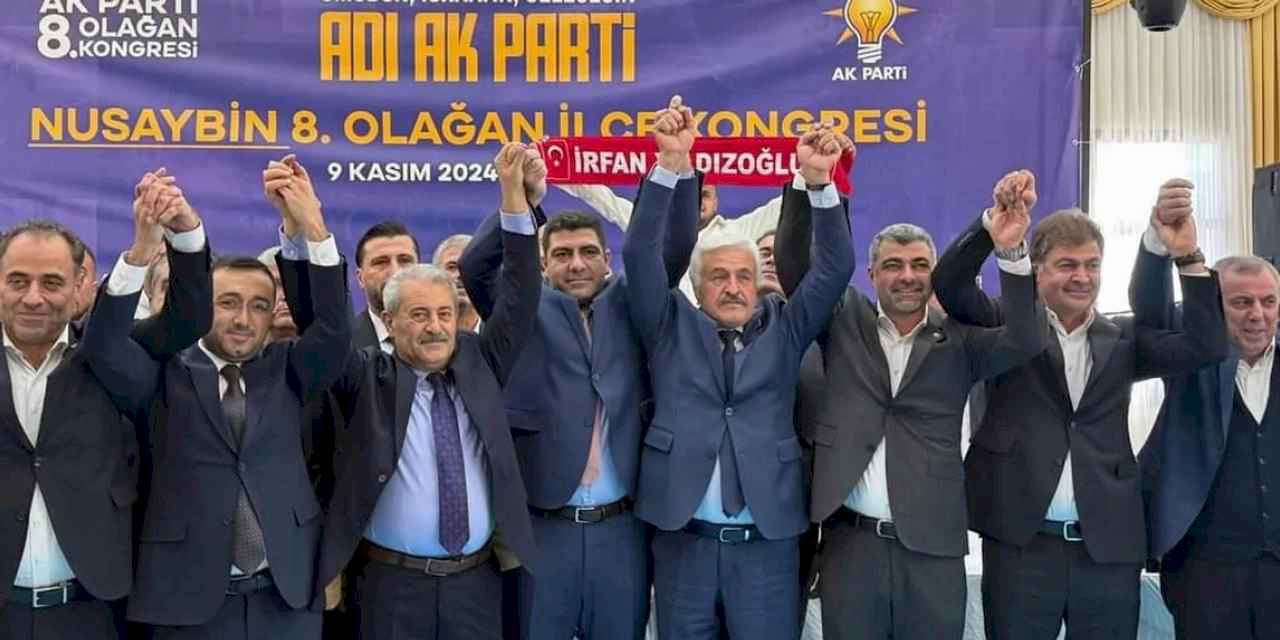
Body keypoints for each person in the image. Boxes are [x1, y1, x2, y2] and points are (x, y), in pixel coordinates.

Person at [933, 173, 1228, 639]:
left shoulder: (1122, 338)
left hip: (1108, 549)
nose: (1082, 276)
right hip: (1021, 544)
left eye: (1092, 265)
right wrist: (993, 231)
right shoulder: (1003, 323)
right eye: (1067, 265)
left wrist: (1186, 256)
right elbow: (949, 285)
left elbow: (1205, 347)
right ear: (1037, 269)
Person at [85, 155, 351, 639]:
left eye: (258, 306)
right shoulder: (162, 374)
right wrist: (146, 249)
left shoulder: (290, 371)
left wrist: (311, 225)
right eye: (228, 303)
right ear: (202, 306)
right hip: (186, 606)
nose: (243, 319)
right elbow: (102, 347)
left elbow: (334, 330)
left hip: (284, 600)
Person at [776, 170, 1046, 640]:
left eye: (920, 265)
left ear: (933, 273)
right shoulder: (842, 320)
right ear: (871, 274)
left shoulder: (960, 340)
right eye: (893, 265)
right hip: (850, 546)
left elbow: (1025, 339)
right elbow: (798, 267)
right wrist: (812, 184)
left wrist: (1008, 250)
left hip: (933, 551)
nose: (907, 276)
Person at [460, 106, 697, 640]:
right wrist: (522, 203)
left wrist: (676, 166)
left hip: (622, 529)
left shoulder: (632, 301)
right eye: (562, 254)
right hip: (543, 527)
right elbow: (476, 266)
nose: (576, 263)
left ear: (608, 259)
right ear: (542, 264)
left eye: (589, 252)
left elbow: (674, 248)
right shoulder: (520, 310)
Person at [623, 103, 854, 640]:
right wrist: (670, 165)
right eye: (719, 277)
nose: (733, 288)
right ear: (697, 285)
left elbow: (834, 267)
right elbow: (639, 254)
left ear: (757, 282)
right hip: (684, 544)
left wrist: (819, 183)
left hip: (766, 549)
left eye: (743, 276)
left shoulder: (787, 327)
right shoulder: (667, 325)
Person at [314, 142, 543, 640]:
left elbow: (521, 294)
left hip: (476, 583)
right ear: (388, 320)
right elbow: (324, 326)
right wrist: (310, 228)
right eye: (419, 315)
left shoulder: (481, 362)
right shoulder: (365, 375)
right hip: (389, 587)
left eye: (443, 313)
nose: (436, 327)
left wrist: (514, 199)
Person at [0, 168, 211, 640]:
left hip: (91, 611)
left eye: (51, 282)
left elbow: (188, 319)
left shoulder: (107, 354)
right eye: (17, 280)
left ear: (81, 285)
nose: (33, 298)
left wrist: (175, 235)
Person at [1131, 180, 1280, 639]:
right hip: (1203, 571)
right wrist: (1163, 246)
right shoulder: (1192, 356)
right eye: (1241, 302)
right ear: (1213, 306)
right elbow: (1152, 312)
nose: (1257, 314)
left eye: (1268, 302)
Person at [560, 173, 781, 302]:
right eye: (690, 195)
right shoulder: (652, 229)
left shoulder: (738, 232)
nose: (696, 201)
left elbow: (783, 206)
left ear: (716, 202)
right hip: (667, 339)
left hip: (720, 337)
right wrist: (555, 168)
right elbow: (600, 197)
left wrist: (803, 169)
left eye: (704, 195)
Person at [353, 221, 421, 351]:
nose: (395, 272)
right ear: (360, 278)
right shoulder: (343, 345)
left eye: (405, 260)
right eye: (380, 262)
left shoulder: (447, 340)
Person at [433, 234, 482, 333]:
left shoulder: (501, 335)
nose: (460, 274)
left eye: (470, 267)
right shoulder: (421, 333)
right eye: (452, 267)